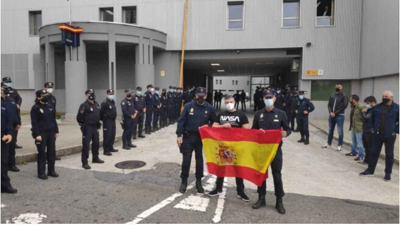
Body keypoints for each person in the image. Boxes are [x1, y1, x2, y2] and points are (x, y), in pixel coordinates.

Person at [251, 90, 290, 214]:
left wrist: (286, 133)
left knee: (277, 174)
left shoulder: (281, 113)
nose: (268, 99)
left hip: (275, 150)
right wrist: (258, 133)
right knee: (261, 174)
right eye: (266, 97)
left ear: (274, 98)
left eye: (270, 97)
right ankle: (261, 198)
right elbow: (253, 130)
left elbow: (288, 129)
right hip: (262, 150)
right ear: (263, 99)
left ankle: (279, 201)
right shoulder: (258, 114)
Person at [208, 96, 250, 201]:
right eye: (227, 102)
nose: (229, 104)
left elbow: (247, 129)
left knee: (238, 169)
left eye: (231, 102)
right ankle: (218, 188)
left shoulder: (241, 115)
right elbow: (213, 126)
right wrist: (223, 127)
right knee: (221, 167)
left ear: (235, 102)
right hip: (223, 145)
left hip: (237, 146)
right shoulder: (221, 115)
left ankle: (240, 192)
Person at [176, 87, 217, 194]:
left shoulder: (210, 108)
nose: (200, 98)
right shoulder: (188, 106)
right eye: (199, 96)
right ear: (195, 96)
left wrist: (208, 125)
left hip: (201, 138)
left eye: (202, 96)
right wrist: (179, 135)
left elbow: (215, 122)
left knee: (199, 160)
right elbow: (181, 121)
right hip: (188, 137)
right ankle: (184, 181)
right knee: (186, 160)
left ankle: (199, 181)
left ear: (206, 96)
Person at [360, 91, 399, 181]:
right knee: (374, 152)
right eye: (383, 96)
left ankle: (388, 173)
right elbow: (372, 119)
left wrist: (395, 130)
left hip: (390, 135)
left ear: (391, 98)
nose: (384, 97)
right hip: (377, 134)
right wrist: (371, 128)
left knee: (389, 154)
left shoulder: (397, 108)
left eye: (386, 96)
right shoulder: (378, 107)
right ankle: (370, 170)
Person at [31, 89, 59, 179]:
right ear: (38, 97)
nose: (46, 97)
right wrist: (37, 134)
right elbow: (34, 123)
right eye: (43, 96)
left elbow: (53, 120)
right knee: (42, 153)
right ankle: (41, 173)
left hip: (51, 132)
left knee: (52, 152)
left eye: (46, 95)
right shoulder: (35, 108)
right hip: (41, 133)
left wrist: (56, 131)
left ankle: (51, 171)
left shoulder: (50, 106)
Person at [77, 89, 104, 169]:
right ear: (86, 95)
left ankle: (95, 158)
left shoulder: (96, 104)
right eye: (89, 94)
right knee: (86, 145)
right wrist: (83, 125)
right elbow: (79, 118)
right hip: (87, 127)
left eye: (92, 93)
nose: (91, 95)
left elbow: (99, 114)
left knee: (96, 143)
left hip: (95, 127)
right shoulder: (84, 105)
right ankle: (84, 162)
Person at [322, 83, 349, 151]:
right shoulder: (332, 95)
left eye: (339, 86)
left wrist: (335, 113)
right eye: (336, 86)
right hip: (331, 115)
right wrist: (330, 112)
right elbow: (329, 105)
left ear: (341, 88)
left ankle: (339, 145)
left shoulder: (344, 96)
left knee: (340, 131)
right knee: (330, 130)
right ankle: (329, 143)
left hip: (340, 115)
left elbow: (344, 105)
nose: (337, 88)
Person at [1, 83, 17, 193]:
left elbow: (8, 120)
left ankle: (4, 185)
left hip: (5, 137)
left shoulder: (4, 103)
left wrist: (10, 134)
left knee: (3, 162)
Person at [2, 83, 21, 172]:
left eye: (6, 88)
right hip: (2, 128)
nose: (6, 90)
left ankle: (11, 165)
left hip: (12, 127)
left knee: (12, 147)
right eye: (3, 88)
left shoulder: (11, 100)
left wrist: (18, 122)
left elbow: (16, 112)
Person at [2, 77, 22, 149]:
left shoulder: (13, 91)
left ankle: (14, 142)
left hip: (14, 115)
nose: (8, 83)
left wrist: (18, 104)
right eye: (7, 82)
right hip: (5, 116)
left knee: (14, 130)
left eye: (9, 82)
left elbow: (19, 98)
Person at [345, 95, 366, 161]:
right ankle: (354, 152)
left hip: (359, 127)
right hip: (353, 126)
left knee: (360, 142)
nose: (350, 100)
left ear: (354, 100)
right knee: (354, 140)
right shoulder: (353, 106)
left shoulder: (360, 106)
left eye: (351, 99)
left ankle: (361, 155)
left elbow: (365, 115)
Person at [44, 82, 61, 160]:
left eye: (51, 87)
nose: (50, 88)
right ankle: (45, 157)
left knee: (52, 141)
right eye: (48, 87)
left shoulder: (53, 98)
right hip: (44, 121)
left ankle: (52, 155)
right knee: (45, 142)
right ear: (44, 88)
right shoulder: (43, 97)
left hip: (52, 120)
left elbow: (54, 109)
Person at [100, 89, 118, 156]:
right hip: (107, 121)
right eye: (110, 94)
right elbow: (101, 112)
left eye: (112, 94)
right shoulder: (104, 103)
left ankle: (111, 147)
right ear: (107, 94)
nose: (112, 95)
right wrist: (103, 119)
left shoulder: (113, 102)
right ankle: (106, 150)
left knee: (112, 134)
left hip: (113, 120)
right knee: (107, 135)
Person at [360, 96, 377, 164]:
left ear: (372, 102)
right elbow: (363, 119)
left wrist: (363, 113)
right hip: (365, 129)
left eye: (367, 103)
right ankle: (366, 160)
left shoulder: (375, 110)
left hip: (370, 131)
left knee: (370, 147)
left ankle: (371, 161)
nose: (366, 105)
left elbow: (367, 119)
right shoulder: (369, 109)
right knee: (366, 146)